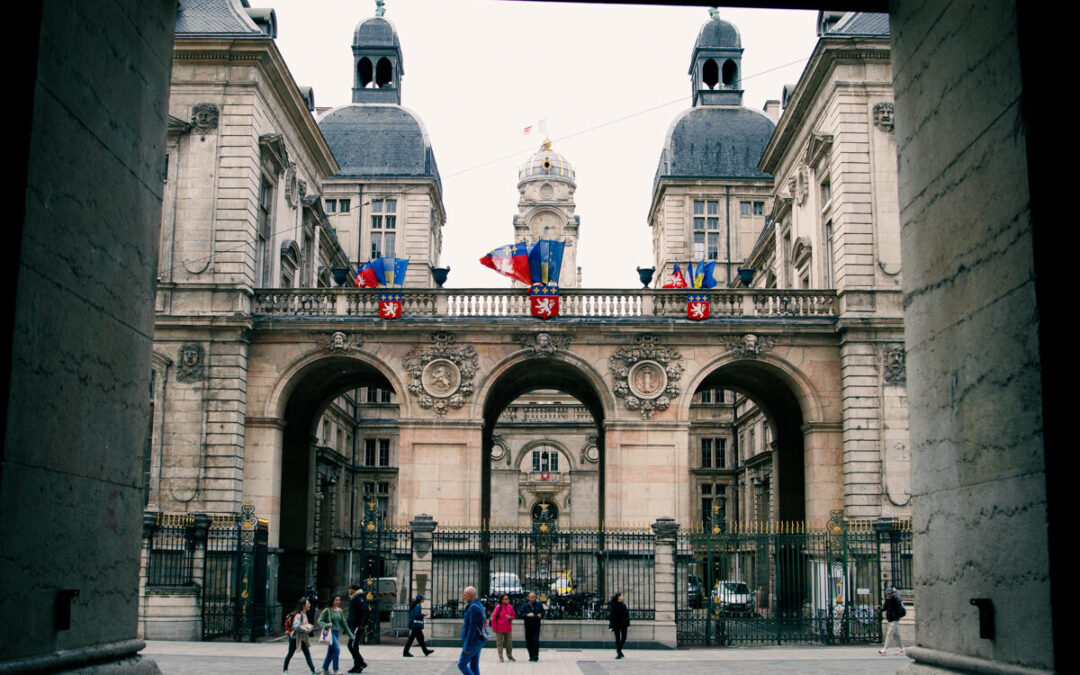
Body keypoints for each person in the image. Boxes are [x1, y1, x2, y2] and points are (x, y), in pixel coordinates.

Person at [318, 594, 354, 675]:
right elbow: (320, 620)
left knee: (331, 651)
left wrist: (350, 635)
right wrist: (326, 625)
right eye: (336, 600)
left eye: (339, 600)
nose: (338, 602)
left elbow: (344, 624)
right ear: (332, 601)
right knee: (336, 649)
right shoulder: (327, 610)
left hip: (336, 632)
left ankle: (324, 668)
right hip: (330, 632)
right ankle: (335, 669)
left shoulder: (340, 611)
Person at [283, 597, 317, 674]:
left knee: (307, 654)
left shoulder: (304, 614)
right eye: (308, 603)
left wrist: (308, 628)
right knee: (290, 654)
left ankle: (313, 670)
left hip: (302, 638)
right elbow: (296, 627)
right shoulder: (299, 615)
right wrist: (306, 628)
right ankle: (285, 670)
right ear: (303, 605)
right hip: (295, 638)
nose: (309, 605)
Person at [458, 586, 486, 675]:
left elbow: (472, 628)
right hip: (479, 639)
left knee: (462, 665)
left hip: (473, 641)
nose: (463, 597)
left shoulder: (473, 607)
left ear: (470, 595)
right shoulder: (479, 605)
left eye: (465, 595)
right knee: (473, 665)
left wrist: (468, 646)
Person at [345, 584, 369, 673]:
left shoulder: (359, 599)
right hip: (353, 625)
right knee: (354, 646)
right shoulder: (353, 599)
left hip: (357, 626)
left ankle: (361, 662)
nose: (349, 591)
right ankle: (357, 665)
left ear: (354, 590)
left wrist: (362, 624)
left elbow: (366, 611)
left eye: (350, 589)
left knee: (351, 645)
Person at [878, 587, 907, 655]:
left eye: (889, 593)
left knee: (889, 633)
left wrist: (897, 617)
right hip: (890, 619)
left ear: (892, 593)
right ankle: (902, 648)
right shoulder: (888, 600)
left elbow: (899, 610)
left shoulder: (896, 599)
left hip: (894, 619)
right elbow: (885, 608)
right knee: (896, 635)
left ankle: (884, 649)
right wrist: (880, 609)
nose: (888, 595)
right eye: (887, 594)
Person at [519, 591, 545, 662]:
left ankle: (535, 656)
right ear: (528, 598)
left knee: (535, 640)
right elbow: (520, 614)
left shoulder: (539, 605)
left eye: (533, 597)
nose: (532, 599)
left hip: (536, 625)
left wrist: (541, 615)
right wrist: (527, 615)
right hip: (528, 626)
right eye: (531, 597)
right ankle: (531, 655)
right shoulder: (525, 606)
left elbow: (543, 612)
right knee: (529, 641)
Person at [491, 593, 516, 662]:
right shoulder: (498, 607)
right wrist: (494, 627)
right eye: (506, 599)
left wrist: (510, 617)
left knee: (509, 642)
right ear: (502, 600)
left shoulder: (510, 607)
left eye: (508, 599)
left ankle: (509, 655)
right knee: (499, 642)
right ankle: (501, 656)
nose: (507, 600)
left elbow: (514, 615)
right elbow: (493, 617)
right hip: (499, 627)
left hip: (508, 627)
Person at [608, 592, 630, 659]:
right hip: (616, 624)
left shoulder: (623, 605)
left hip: (623, 624)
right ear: (618, 597)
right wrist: (610, 626)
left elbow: (627, 615)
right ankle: (619, 653)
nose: (623, 597)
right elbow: (611, 616)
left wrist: (628, 625)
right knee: (617, 638)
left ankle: (619, 650)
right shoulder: (613, 605)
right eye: (622, 596)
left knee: (624, 637)